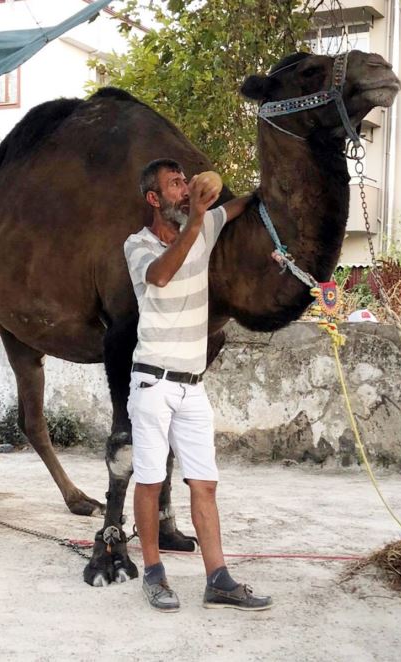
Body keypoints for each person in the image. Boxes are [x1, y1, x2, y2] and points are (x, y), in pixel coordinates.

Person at [123, 158, 273, 613]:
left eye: (186, 182)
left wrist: (266, 185)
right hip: (153, 383)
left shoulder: (204, 225)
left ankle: (219, 579)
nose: (185, 189)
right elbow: (162, 275)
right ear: (154, 199)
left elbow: (246, 204)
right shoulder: (138, 245)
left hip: (193, 386)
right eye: (174, 185)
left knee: (204, 484)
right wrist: (198, 221)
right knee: (150, 481)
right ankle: (153, 574)